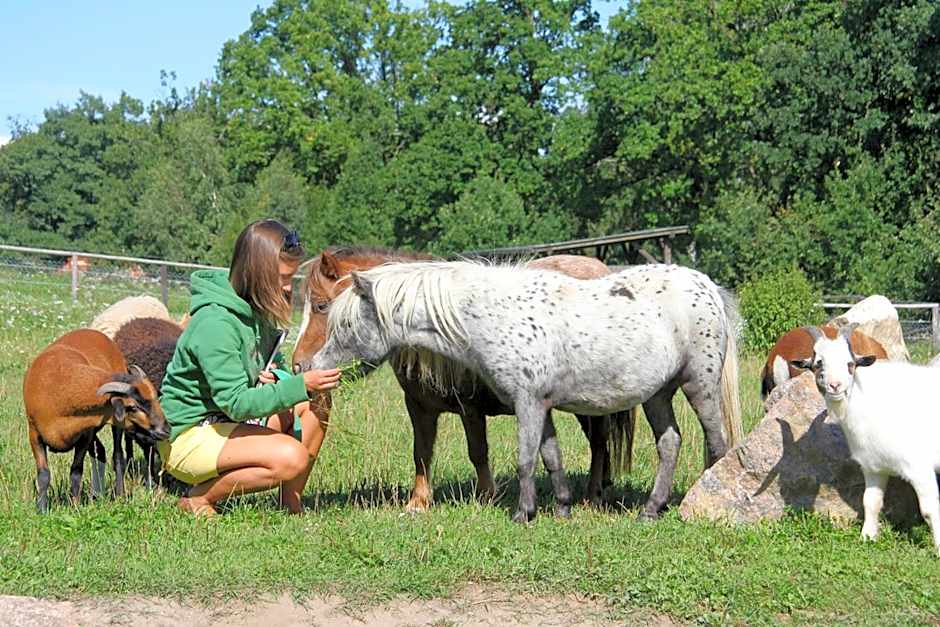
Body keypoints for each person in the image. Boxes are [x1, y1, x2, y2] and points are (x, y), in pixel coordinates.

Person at [156, 219, 341, 516]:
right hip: (191, 435)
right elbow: (236, 403)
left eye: (290, 277)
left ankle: (290, 504)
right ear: (258, 272)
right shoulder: (215, 323)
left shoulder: (255, 309)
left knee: (318, 401)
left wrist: (276, 377)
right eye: (282, 277)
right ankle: (199, 498)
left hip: (228, 422)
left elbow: (273, 365)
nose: (287, 287)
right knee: (291, 457)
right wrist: (299, 384)